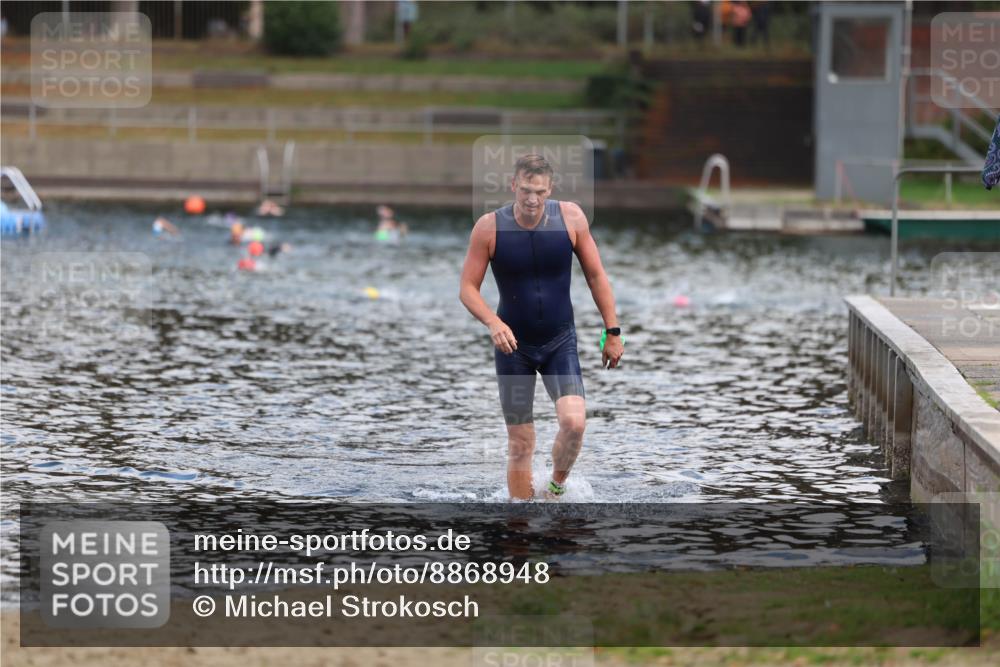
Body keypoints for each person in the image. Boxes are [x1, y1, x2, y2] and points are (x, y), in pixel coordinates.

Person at [459, 154, 624, 501]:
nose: (532, 199)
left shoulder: (571, 218)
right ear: (513, 186)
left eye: (539, 191)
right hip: (512, 349)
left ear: (550, 189)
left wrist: (612, 331)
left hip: (559, 342)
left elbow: (596, 276)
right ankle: (520, 519)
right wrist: (493, 322)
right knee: (521, 442)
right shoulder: (489, 227)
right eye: (525, 190)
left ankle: (554, 489)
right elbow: (467, 289)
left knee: (575, 423)